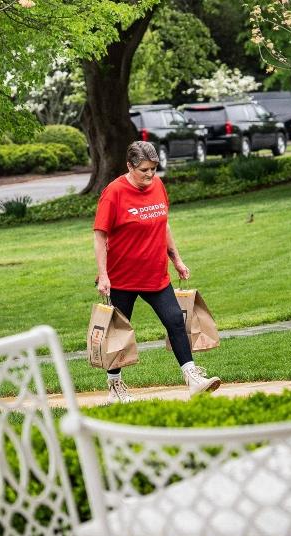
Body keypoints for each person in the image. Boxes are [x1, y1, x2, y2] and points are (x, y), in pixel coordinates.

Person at [93, 141, 222, 404]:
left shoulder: (158, 187)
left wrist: (176, 258)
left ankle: (193, 378)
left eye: (153, 169)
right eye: (144, 170)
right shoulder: (114, 193)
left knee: (175, 320)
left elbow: (163, 225)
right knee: (118, 333)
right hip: (123, 278)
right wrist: (103, 275)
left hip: (155, 274)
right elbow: (99, 236)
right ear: (129, 166)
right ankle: (114, 386)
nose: (150, 175)